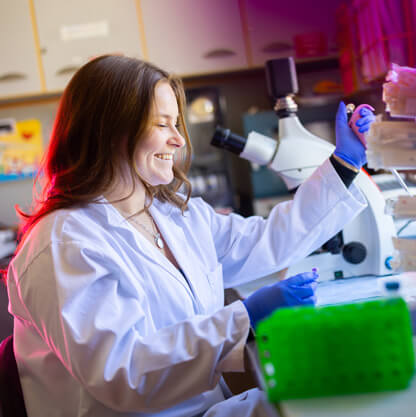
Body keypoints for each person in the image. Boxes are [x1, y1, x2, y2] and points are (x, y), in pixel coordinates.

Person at [3, 55, 375, 417]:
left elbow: (269, 241)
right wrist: (244, 317)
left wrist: (343, 164)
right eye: (163, 124)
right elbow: (123, 374)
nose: (179, 140)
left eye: (176, 124)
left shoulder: (172, 214)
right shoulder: (62, 244)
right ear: (111, 129)